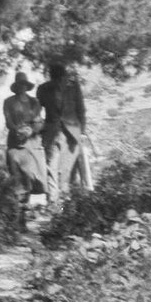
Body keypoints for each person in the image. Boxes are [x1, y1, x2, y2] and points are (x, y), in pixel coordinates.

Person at [36, 61, 91, 202]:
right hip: (51, 132)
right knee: (51, 167)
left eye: (60, 78)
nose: (59, 80)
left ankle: (65, 203)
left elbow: (81, 110)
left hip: (71, 133)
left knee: (66, 170)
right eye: (56, 78)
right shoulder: (43, 89)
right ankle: (53, 203)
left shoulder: (73, 87)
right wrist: (39, 126)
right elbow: (36, 110)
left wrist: (83, 132)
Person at [2, 71, 47, 223]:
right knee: (16, 178)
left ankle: (22, 217)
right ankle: (15, 219)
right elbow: (8, 121)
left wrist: (30, 131)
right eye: (19, 85)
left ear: (26, 86)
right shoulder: (8, 102)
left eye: (24, 85)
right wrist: (16, 130)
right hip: (15, 143)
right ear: (16, 87)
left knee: (28, 177)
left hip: (30, 144)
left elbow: (39, 122)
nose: (22, 87)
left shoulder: (34, 103)